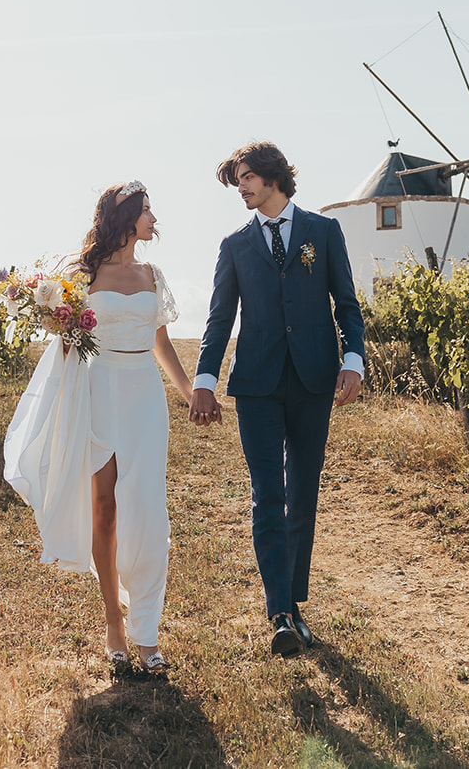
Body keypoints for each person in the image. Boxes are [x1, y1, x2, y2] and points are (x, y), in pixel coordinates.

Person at [2, 180, 201, 671]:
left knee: (150, 511)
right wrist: (59, 321)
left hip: (144, 396)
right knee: (106, 508)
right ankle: (114, 619)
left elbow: (164, 346)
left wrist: (191, 392)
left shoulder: (153, 275)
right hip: (98, 390)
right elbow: (66, 343)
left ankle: (147, 630)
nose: (155, 219)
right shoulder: (81, 273)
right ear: (127, 217)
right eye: (148, 210)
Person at [190, 142, 365, 657]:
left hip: (315, 380)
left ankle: (294, 600)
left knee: (302, 493)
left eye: (246, 178)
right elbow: (220, 318)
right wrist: (205, 377)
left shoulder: (324, 232)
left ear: (272, 177)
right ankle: (281, 613)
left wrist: (352, 362)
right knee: (268, 493)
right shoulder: (235, 245)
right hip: (258, 386)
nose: (240, 188)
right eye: (237, 180)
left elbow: (348, 305)